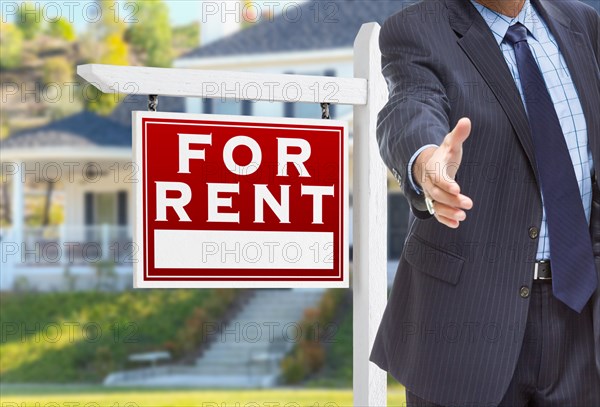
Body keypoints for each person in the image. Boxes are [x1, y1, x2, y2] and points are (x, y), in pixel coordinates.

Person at [369, 0, 600, 405]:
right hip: (468, 323)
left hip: (582, 316)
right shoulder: (415, 28)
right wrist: (426, 164)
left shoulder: (583, 22)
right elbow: (410, 105)